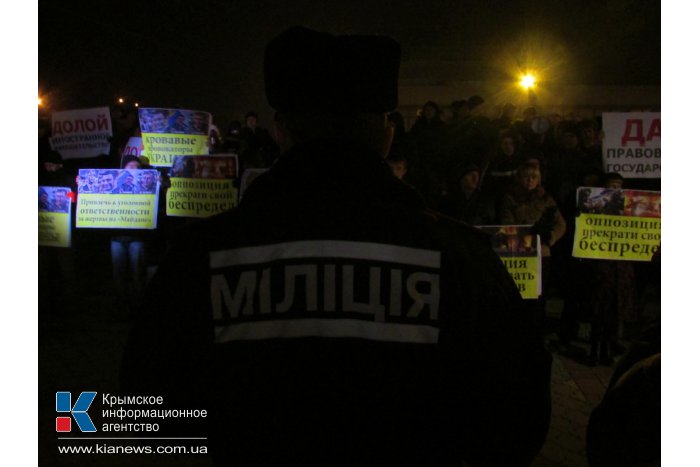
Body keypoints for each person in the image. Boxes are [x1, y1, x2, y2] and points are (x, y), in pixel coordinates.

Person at [121, 26, 551, 467]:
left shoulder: (201, 255)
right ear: (385, 136)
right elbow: (518, 418)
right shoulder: (461, 258)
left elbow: (145, 415)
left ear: (282, 131)